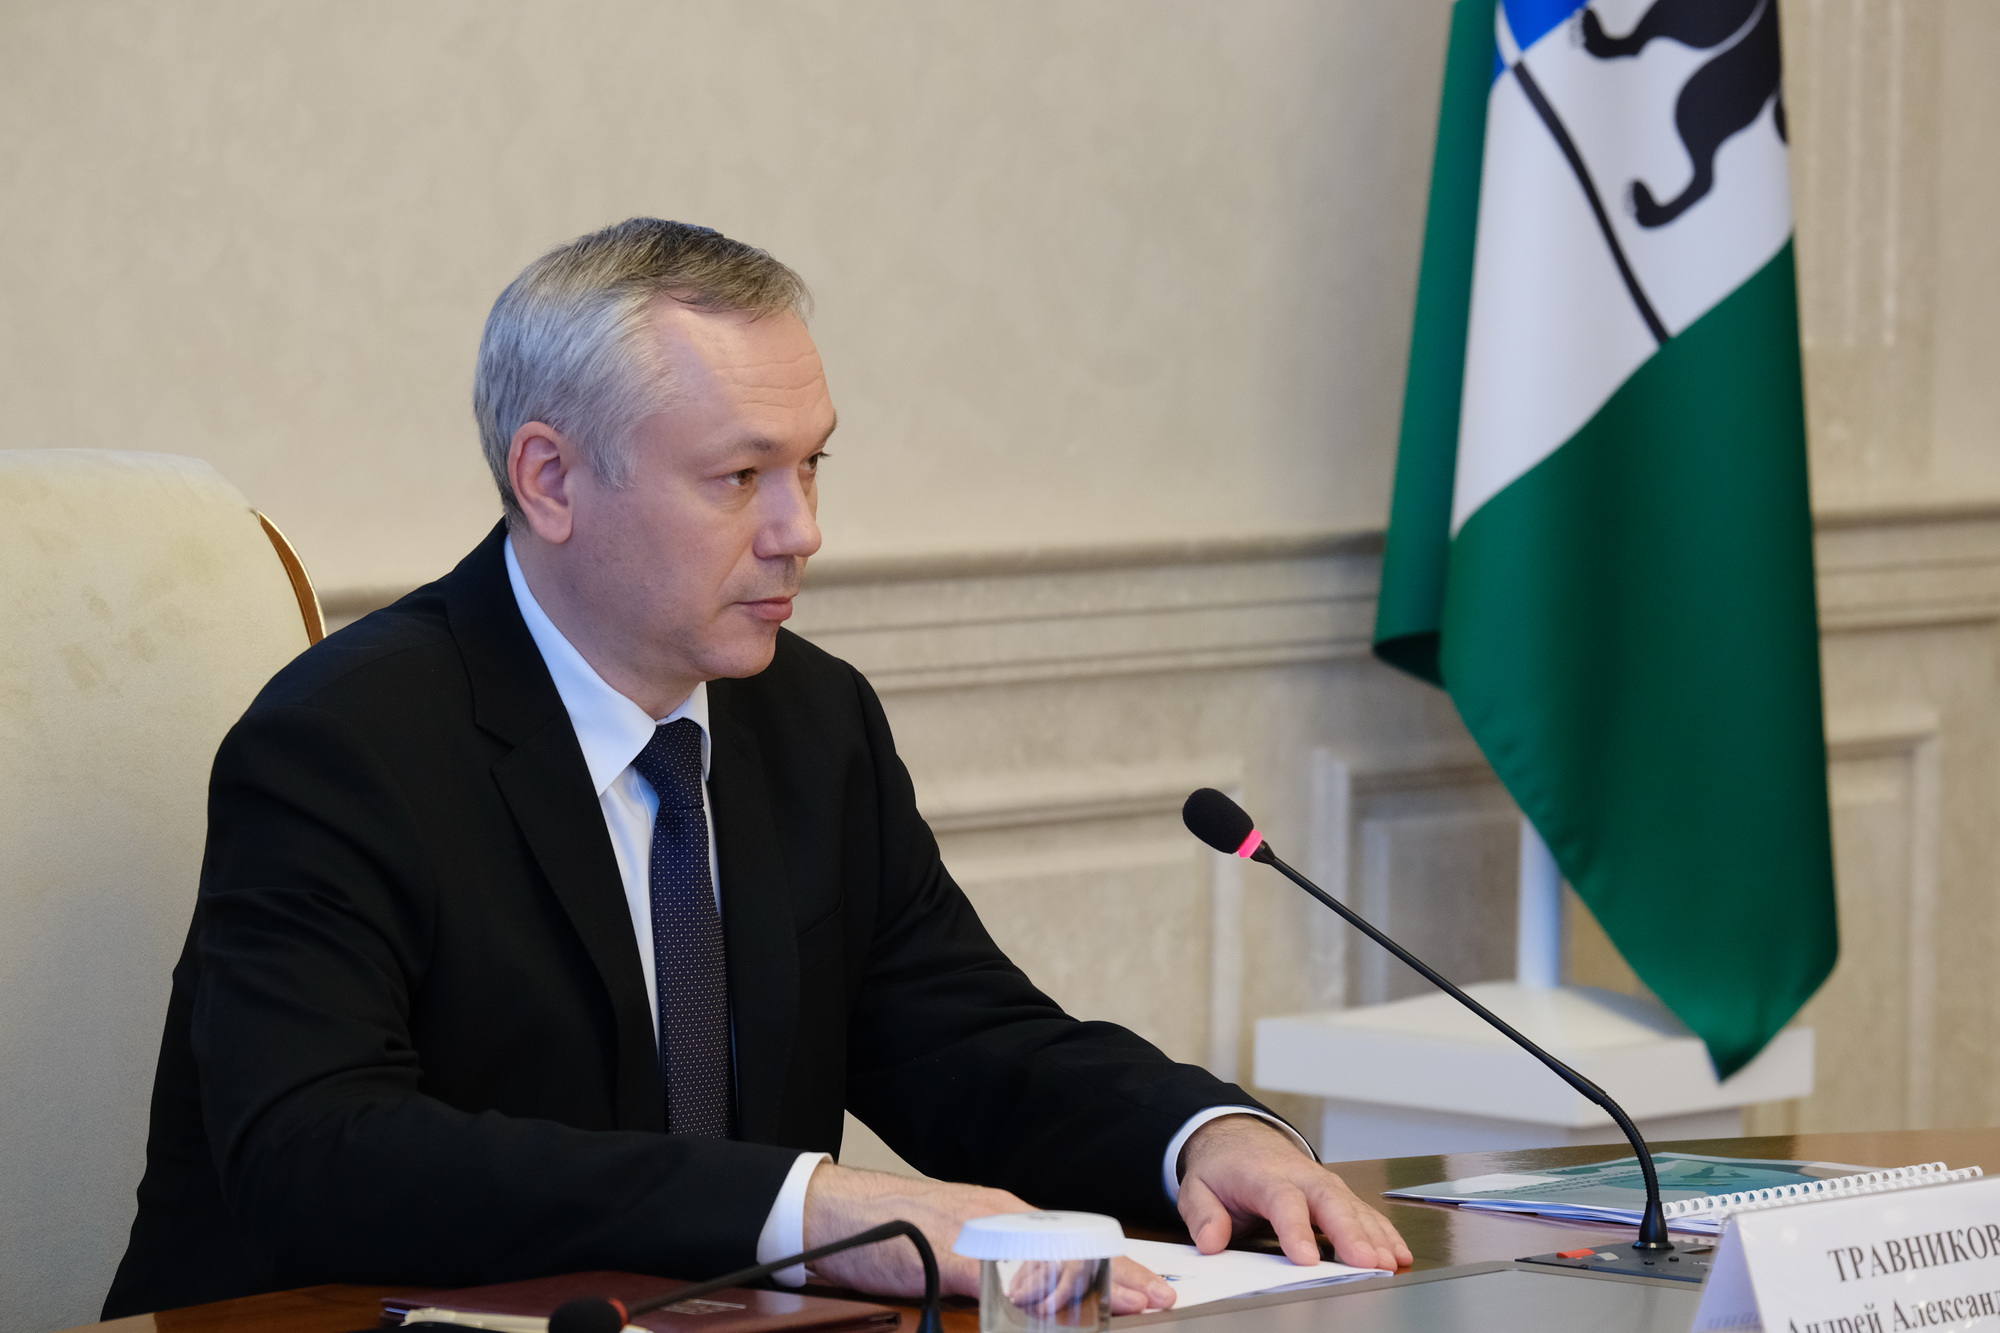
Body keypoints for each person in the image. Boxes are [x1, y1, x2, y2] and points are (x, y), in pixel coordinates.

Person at [104, 220, 1410, 1319]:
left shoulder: (809, 719)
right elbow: (318, 1156)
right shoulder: (348, 743)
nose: (803, 531)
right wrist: (804, 1208)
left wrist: (1197, 1135)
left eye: (811, 464)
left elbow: (963, 1040)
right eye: (740, 476)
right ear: (550, 479)